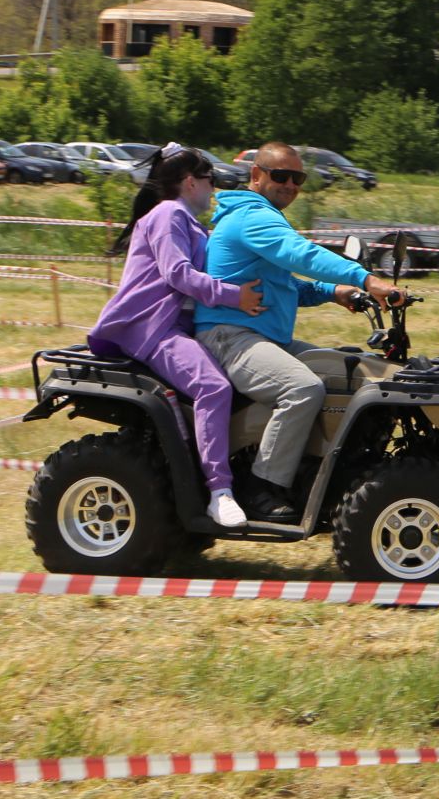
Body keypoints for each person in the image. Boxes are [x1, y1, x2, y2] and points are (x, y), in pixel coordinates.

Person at [194, 141, 406, 522]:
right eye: (281, 175)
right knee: (302, 387)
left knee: (350, 373)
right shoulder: (252, 217)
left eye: (298, 178)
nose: (290, 184)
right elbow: (301, 254)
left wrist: (335, 293)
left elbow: (283, 284)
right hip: (229, 335)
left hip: (261, 336)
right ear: (256, 175)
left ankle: (337, 471)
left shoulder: (263, 216)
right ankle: (264, 487)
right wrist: (364, 277)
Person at [90, 143, 263, 528]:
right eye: (210, 180)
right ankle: (220, 492)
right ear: (190, 182)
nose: (213, 189)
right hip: (152, 328)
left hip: (174, 327)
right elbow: (178, 275)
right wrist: (238, 298)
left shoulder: (186, 219)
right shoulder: (169, 213)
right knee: (213, 388)